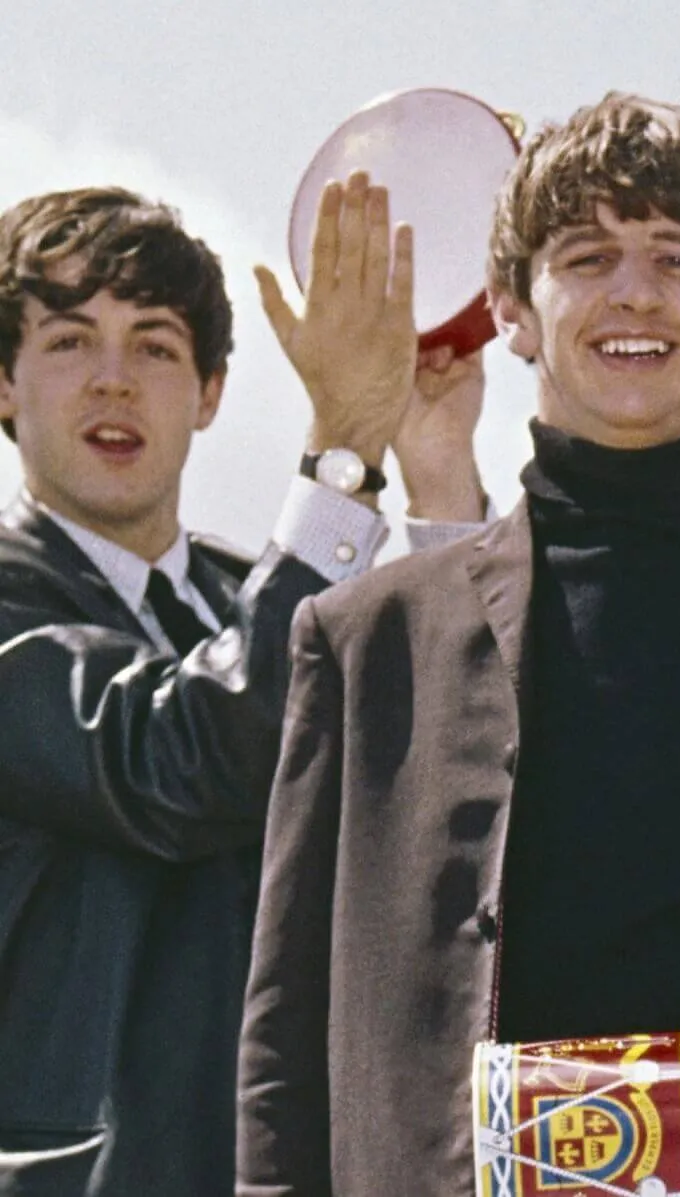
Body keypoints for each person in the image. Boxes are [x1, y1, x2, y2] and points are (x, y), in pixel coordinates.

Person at [235, 92, 680, 1196]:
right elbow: (286, 1045)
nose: (634, 292)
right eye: (586, 256)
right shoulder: (361, 648)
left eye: (678, 259)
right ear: (512, 310)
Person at [0, 179, 486, 1197]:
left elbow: (452, 791)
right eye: (69, 342)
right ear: (5, 386)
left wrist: (436, 479)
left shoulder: (272, 595)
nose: (114, 382)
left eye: (157, 346)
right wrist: (345, 453)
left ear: (212, 391)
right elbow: (182, 758)